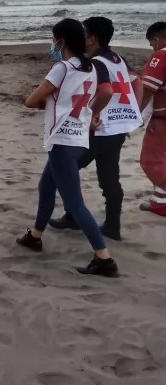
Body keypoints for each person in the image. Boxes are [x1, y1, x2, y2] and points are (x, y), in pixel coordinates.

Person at [17, 18, 118, 277]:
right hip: (78, 138)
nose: (53, 44)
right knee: (46, 186)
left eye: (54, 40)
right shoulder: (91, 68)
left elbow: (31, 100)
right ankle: (35, 236)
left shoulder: (62, 68)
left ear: (61, 41)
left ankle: (104, 258)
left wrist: (43, 102)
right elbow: (89, 98)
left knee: (75, 202)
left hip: (62, 139)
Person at [49, 16, 143, 240]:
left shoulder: (97, 63)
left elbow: (106, 92)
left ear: (91, 38)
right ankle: (112, 226)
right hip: (117, 130)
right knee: (109, 178)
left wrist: (89, 113)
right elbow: (137, 82)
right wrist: (132, 115)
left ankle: (73, 216)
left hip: (99, 131)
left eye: (83, 33)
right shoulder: (116, 58)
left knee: (63, 171)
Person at [139, 21, 166, 216]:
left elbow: (148, 88)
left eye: (151, 44)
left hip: (162, 118)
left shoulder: (161, 55)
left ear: (156, 39)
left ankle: (161, 204)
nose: (152, 48)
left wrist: (135, 114)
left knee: (151, 161)